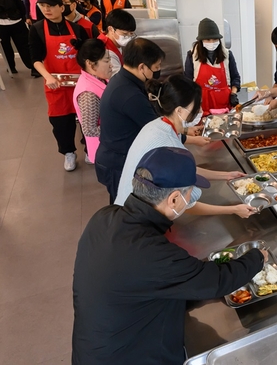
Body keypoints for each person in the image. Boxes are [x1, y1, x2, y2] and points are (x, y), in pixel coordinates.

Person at [72, 146, 267, 365]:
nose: (190, 200)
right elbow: (216, 281)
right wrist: (257, 257)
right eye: (189, 195)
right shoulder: (152, 254)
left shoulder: (105, 217)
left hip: (96, 356)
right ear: (174, 198)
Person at [114, 75, 256, 219]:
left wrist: (226, 176)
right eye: (196, 106)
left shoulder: (157, 125)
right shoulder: (167, 143)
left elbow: (187, 170)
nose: (199, 110)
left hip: (124, 208)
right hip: (136, 218)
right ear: (180, 111)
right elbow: (187, 205)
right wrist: (234, 209)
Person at [96, 37, 164, 203]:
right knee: (125, 208)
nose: (158, 71)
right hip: (118, 164)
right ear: (142, 67)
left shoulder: (123, 81)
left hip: (114, 157)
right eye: (156, 67)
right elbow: (157, 130)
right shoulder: (129, 94)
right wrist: (190, 137)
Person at [29, 0, 89, 171]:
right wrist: (47, 76)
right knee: (61, 121)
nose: (47, 9)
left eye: (51, 6)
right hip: (55, 84)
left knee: (87, 117)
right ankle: (68, 152)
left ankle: (90, 148)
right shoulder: (37, 29)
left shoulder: (77, 29)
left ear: (62, 8)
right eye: (43, 6)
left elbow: (87, 56)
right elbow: (35, 60)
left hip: (79, 82)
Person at [183, 18, 241, 115]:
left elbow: (235, 77)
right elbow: (187, 83)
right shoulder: (192, 55)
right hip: (201, 108)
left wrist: (233, 94)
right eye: (208, 39)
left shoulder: (227, 55)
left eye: (215, 39)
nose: (211, 42)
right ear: (201, 41)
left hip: (224, 107)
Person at [73, 38, 111, 164]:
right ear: (90, 63)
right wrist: (119, 127)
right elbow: (90, 129)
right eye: (106, 60)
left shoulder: (99, 78)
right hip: (105, 151)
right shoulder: (88, 94)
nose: (110, 64)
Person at [0, 0, 33, 74]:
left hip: (1, 24)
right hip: (17, 21)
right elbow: (20, 3)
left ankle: (11, 68)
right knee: (25, 45)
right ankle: (33, 67)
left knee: (5, 47)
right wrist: (23, 16)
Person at [98, 8, 136, 77]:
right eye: (125, 34)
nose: (128, 37)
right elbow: (118, 78)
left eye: (131, 34)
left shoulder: (116, 43)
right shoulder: (106, 51)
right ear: (111, 29)